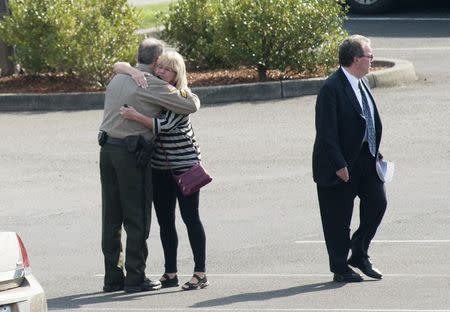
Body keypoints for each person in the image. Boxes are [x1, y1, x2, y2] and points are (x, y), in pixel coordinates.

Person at [99, 38, 200, 293]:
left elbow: (116, 65)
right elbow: (190, 104)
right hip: (130, 153)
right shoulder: (151, 83)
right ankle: (135, 276)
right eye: (161, 64)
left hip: (107, 149)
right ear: (156, 62)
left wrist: (128, 68)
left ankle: (112, 276)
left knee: (111, 216)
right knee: (136, 214)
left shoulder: (119, 77)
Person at [312, 35, 387, 283]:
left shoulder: (361, 82)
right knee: (338, 220)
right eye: (369, 56)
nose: (372, 60)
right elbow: (325, 132)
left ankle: (359, 252)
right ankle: (340, 268)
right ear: (356, 59)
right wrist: (338, 164)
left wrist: (375, 150)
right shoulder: (331, 88)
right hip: (340, 165)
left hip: (366, 159)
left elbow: (367, 121)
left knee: (378, 203)